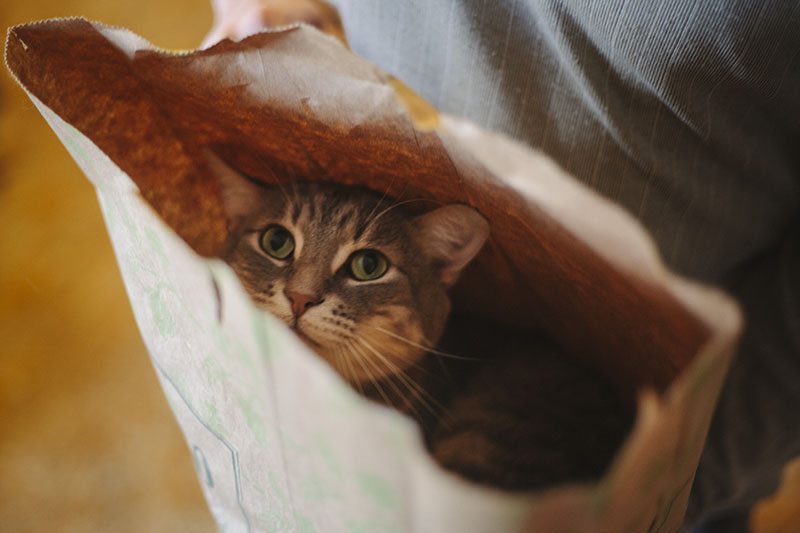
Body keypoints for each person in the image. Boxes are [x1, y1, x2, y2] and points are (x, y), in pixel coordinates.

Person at [204, 1, 800, 530]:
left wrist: (679, 475)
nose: (303, 294)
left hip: (688, 402)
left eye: (361, 265)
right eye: (279, 245)